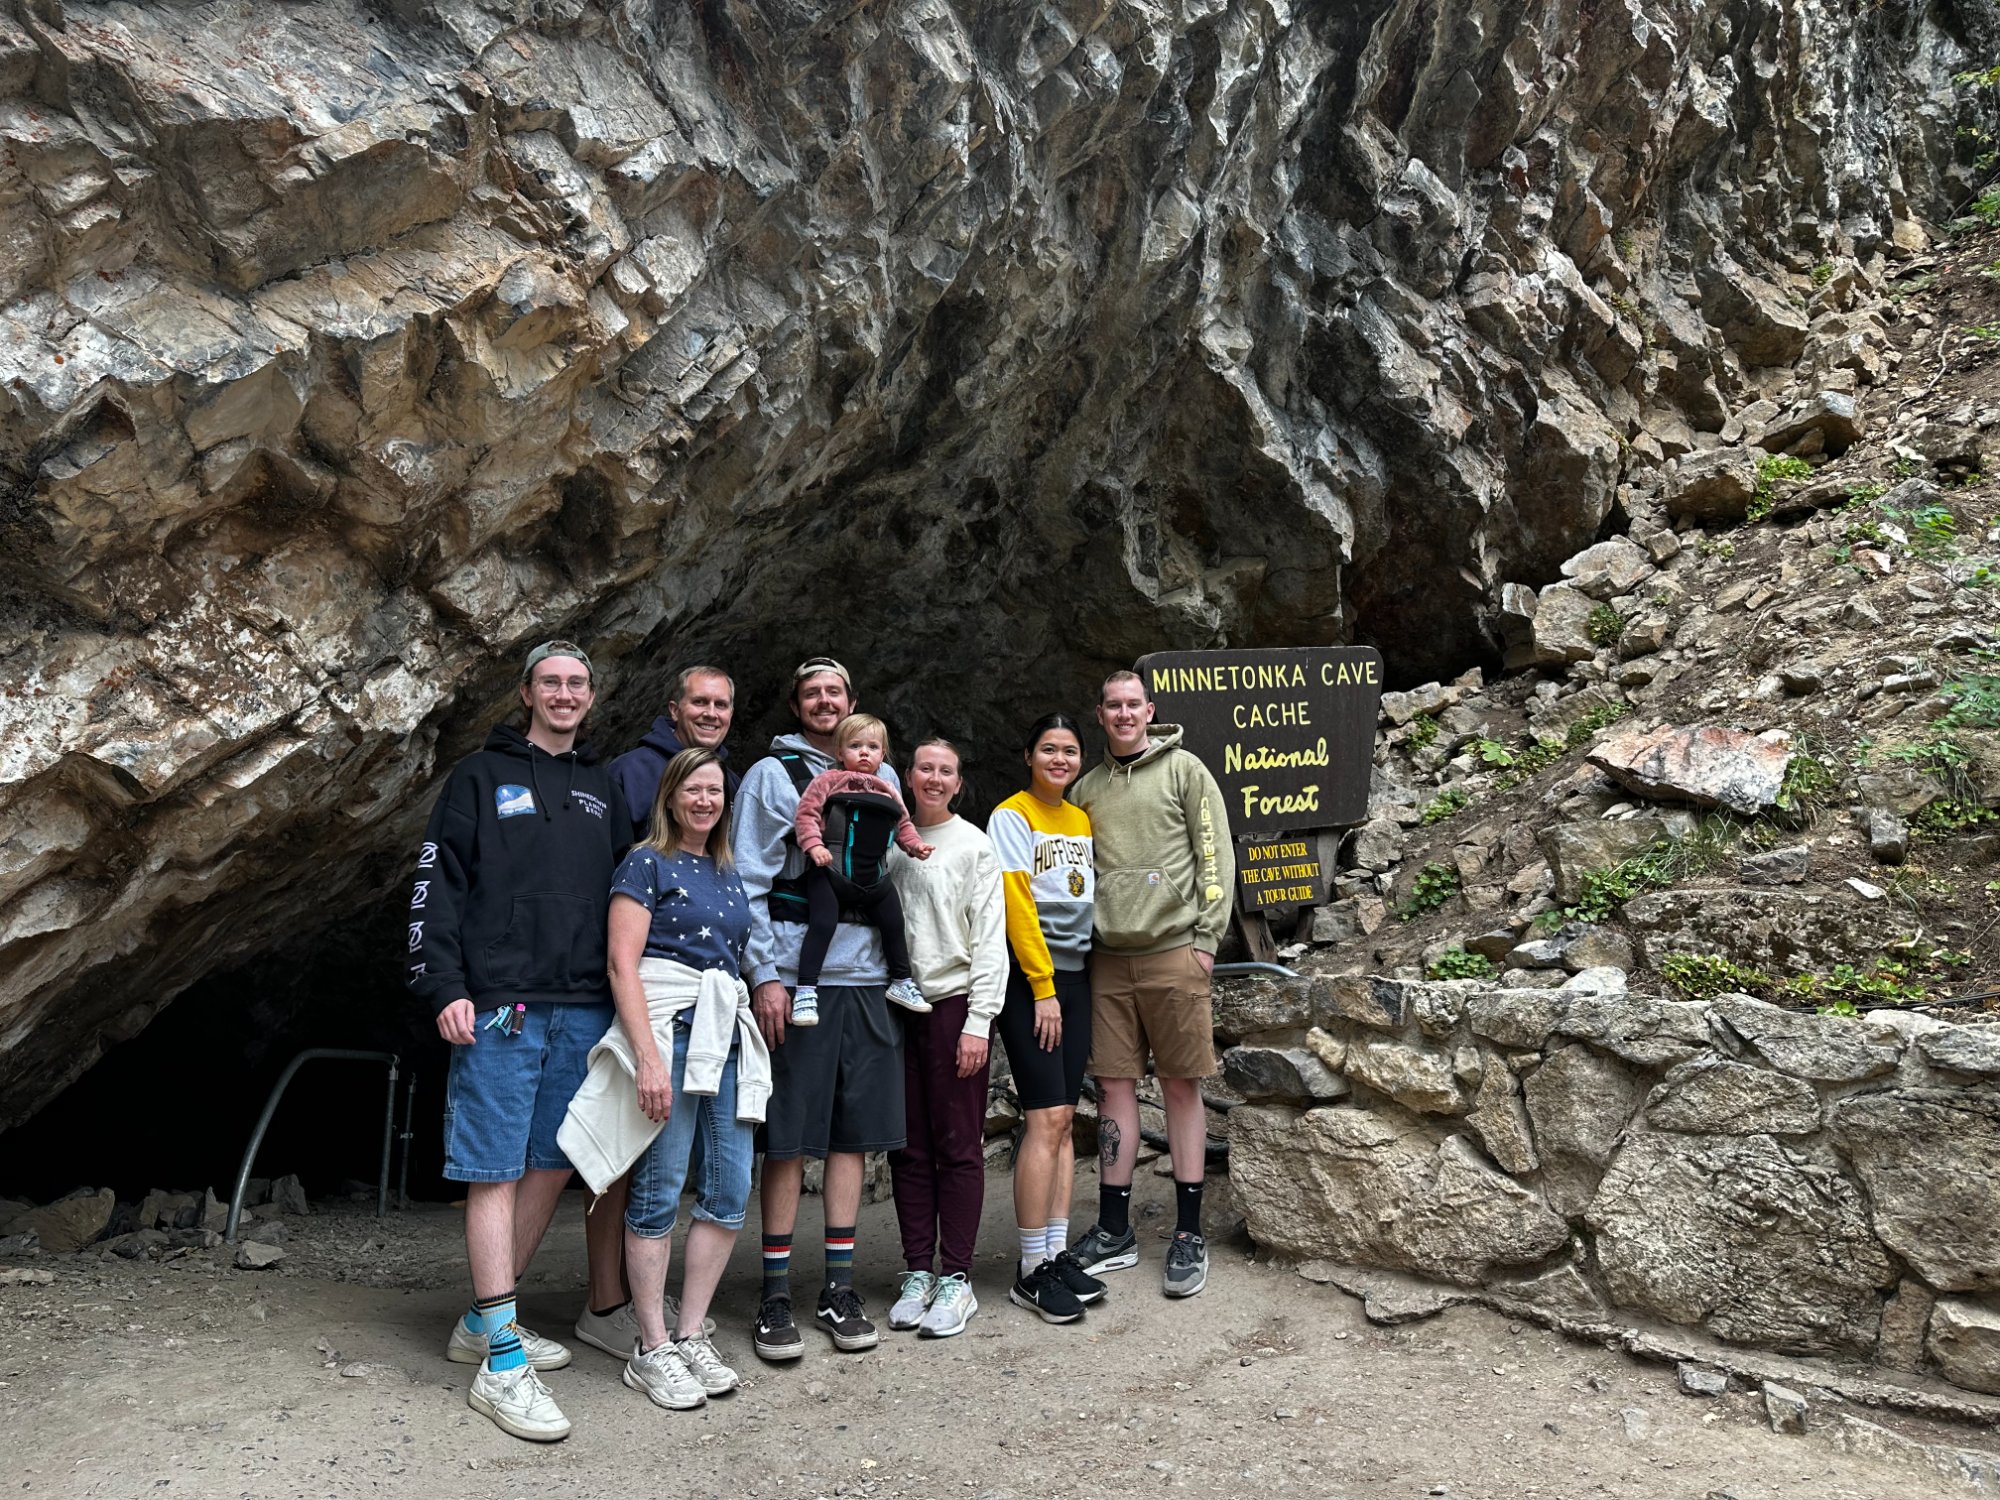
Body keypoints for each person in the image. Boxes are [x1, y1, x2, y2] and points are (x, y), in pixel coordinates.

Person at [404, 639, 630, 1442]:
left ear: (590, 696)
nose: (565, 694)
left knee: (554, 1160)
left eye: (578, 683)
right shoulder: (478, 776)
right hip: (502, 1005)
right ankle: (502, 1360)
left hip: (584, 1006)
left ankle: (483, 1322)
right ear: (527, 693)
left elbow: (628, 897)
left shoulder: (603, 787)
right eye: (551, 683)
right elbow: (436, 886)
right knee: (494, 1166)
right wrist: (445, 986)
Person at [557, 748, 771, 1412]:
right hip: (669, 1031)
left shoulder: (728, 873)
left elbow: (733, 962)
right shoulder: (644, 863)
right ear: (670, 796)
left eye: (715, 791)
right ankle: (651, 1347)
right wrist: (648, 1059)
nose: (705, 800)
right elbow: (622, 965)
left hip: (724, 1035)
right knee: (657, 1190)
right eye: (693, 789)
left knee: (730, 1189)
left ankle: (689, 1332)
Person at [736, 658, 909, 1359]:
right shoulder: (771, 776)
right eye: (811, 693)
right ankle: (775, 1292)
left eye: (834, 691)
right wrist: (763, 976)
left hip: (867, 977)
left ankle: (839, 1287)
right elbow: (749, 874)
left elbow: (892, 870)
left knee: (850, 1136)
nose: (823, 701)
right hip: (796, 975)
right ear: (796, 705)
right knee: (786, 1138)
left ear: (852, 702)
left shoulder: (883, 775)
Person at [1068, 669, 1234, 1300]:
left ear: (1149, 710)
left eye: (1132, 704)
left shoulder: (1185, 770)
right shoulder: (1085, 789)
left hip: (1174, 952)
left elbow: (1214, 852)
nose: (1123, 714)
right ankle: (1115, 1229)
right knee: (1113, 1088)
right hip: (1108, 959)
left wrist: (1206, 940)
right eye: (1112, 705)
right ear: (1100, 714)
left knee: (1181, 1086)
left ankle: (1188, 1232)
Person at [883, 739, 1006, 1338]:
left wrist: (979, 1022)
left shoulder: (972, 845)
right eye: (925, 768)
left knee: (958, 1145)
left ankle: (956, 1277)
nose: (934, 778)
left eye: (946, 771)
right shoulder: (887, 842)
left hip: (953, 1005)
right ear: (907, 777)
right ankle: (917, 1271)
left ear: (958, 784)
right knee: (906, 1147)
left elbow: (990, 940)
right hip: (892, 1008)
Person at [989, 713, 1103, 1324]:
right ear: (1028, 755)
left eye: (1070, 750)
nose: (1060, 759)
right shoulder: (1012, 815)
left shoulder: (1080, 820)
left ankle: (1055, 1255)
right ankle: (1030, 1268)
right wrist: (1042, 987)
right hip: (1034, 982)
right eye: (1048, 749)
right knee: (1042, 1118)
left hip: (1077, 977)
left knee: (1063, 1119)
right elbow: (1017, 902)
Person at [791, 713, 934, 1027]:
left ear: (883, 754)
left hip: (875, 879)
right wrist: (814, 846)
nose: (864, 753)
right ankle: (805, 990)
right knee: (822, 923)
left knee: (894, 923)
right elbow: (806, 815)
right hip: (830, 872)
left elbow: (903, 825)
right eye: (855, 746)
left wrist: (915, 846)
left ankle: (901, 981)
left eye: (872, 747)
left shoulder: (888, 789)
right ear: (840, 753)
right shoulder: (828, 781)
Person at [607, 666, 738, 842]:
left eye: (721, 705)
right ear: (675, 711)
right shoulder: (629, 771)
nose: (711, 714)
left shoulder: (734, 785)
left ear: (730, 714)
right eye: (700, 702)